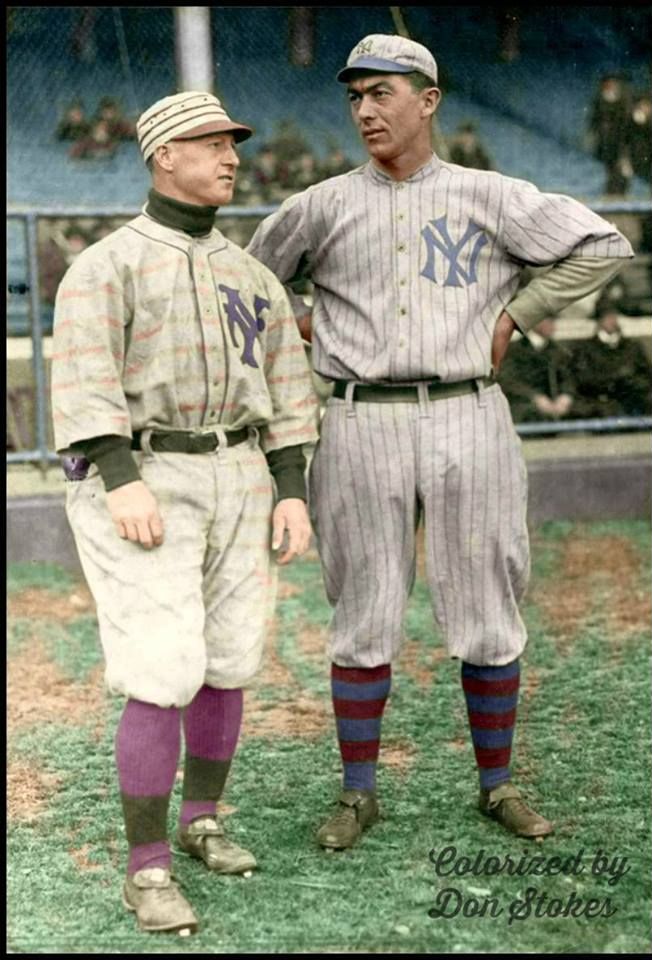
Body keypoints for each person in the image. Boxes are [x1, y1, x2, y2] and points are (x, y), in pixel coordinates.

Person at [247, 33, 633, 850]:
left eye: (381, 93)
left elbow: (604, 242)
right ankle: (358, 793)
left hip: (468, 407)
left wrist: (516, 315)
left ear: (428, 101)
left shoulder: (489, 193)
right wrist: (304, 327)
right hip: (358, 415)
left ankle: (496, 785)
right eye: (354, 96)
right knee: (363, 610)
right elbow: (247, 285)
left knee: (489, 605)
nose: (364, 109)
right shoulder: (319, 203)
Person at [51, 91, 319, 936]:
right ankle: (146, 868)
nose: (232, 156)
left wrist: (292, 488)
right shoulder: (109, 263)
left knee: (229, 658)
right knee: (162, 666)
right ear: (166, 154)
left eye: (234, 143)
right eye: (212, 144)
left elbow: (286, 387)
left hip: (240, 467)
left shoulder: (251, 272)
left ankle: (201, 820)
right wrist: (119, 473)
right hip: (149, 472)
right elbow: (86, 378)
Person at [570, 298, 652, 418]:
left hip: (633, 400)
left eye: (614, 316)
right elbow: (583, 380)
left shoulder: (631, 346)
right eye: (608, 317)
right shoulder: (586, 349)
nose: (613, 320)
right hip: (601, 402)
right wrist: (615, 379)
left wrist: (632, 382)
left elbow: (647, 373)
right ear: (599, 321)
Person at [497, 315, 574, 423]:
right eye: (548, 320)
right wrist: (535, 397)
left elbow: (567, 378)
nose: (552, 325)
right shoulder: (513, 350)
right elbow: (509, 381)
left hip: (555, 407)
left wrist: (565, 396)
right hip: (523, 406)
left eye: (553, 320)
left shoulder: (558, 351)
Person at [587, 73, 634, 196]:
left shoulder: (624, 99)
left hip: (622, 139)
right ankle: (612, 191)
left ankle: (621, 190)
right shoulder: (599, 100)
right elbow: (594, 119)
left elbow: (627, 120)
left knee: (622, 165)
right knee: (610, 167)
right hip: (607, 140)